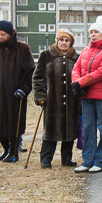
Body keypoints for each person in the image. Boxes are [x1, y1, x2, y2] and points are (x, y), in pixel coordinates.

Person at [72, 17, 102, 173]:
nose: (92, 34)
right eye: (91, 32)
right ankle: (88, 160)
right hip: (86, 96)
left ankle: (100, 161)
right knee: (88, 128)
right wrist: (77, 83)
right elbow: (75, 68)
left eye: (96, 32)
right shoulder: (85, 50)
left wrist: (81, 83)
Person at [0, 20, 33, 163]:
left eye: (3, 34)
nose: (0, 37)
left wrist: (24, 89)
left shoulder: (22, 48)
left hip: (15, 93)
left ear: (10, 34)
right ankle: (6, 149)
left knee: (14, 123)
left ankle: (13, 152)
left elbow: (29, 70)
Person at [31, 29, 80, 168]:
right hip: (52, 101)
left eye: (67, 40)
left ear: (70, 43)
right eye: (61, 40)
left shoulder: (76, 58)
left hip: (72, 101)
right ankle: (46, 159)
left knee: (69, 131)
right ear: (56, 41)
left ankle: (67, 158)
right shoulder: (46, 56)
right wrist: (40, 96)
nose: (63, 43)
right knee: (51, 131)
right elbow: (38, 78)